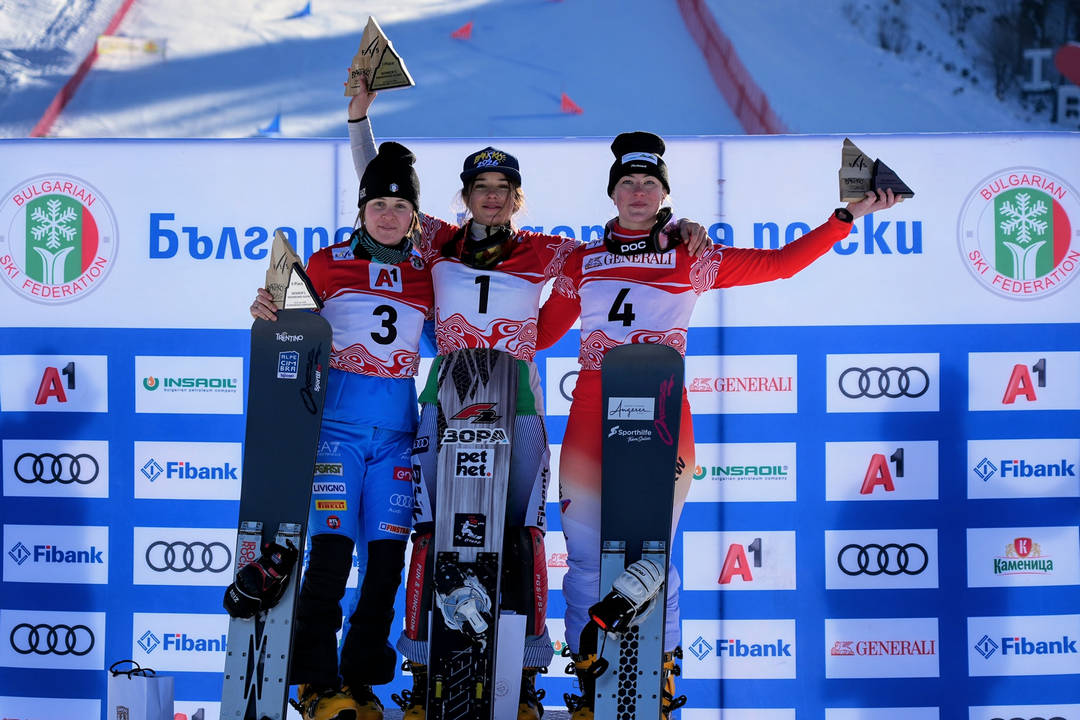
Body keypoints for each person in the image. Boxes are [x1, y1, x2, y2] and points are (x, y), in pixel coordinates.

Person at [346, 84, 710, 720]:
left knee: (521, 535)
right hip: (444, 399)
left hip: (517, 401)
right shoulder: (436, 241)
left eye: (503, 188)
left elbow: (623, 245)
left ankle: (521, 679)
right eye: (480, 187)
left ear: (517, 198)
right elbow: (381, 186)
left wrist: (675, 229)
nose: (492, 196)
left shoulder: (548, 249)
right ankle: (427, 670)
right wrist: (358, 119)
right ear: (464, 197)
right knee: (434, 535)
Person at [536, 131, 903, 720]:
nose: (638, 192)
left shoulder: (692, 254)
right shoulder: (582, 260)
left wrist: (846, 217)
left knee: (653, 552)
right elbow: (537, 334)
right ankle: (587, 679)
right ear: (612, 193)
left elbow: (780, 264)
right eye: (628, 182)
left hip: (661, 412)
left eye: (649, 183)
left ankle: (658, 678)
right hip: (590, 411)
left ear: (663, 194)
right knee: (582, 557)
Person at [248, 141, 434, 720]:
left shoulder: (427, 276)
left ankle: (360, 681)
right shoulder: (327, 264)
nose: (388, 215)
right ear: (361, 209)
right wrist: (267, 311)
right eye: (378, 204)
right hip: (335, 434)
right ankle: (313, 681)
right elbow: (293, 332)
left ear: (415, 216)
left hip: (397, 438)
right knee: (330, 557)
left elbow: (447, 337)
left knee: (386, 565)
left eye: (400, 207)